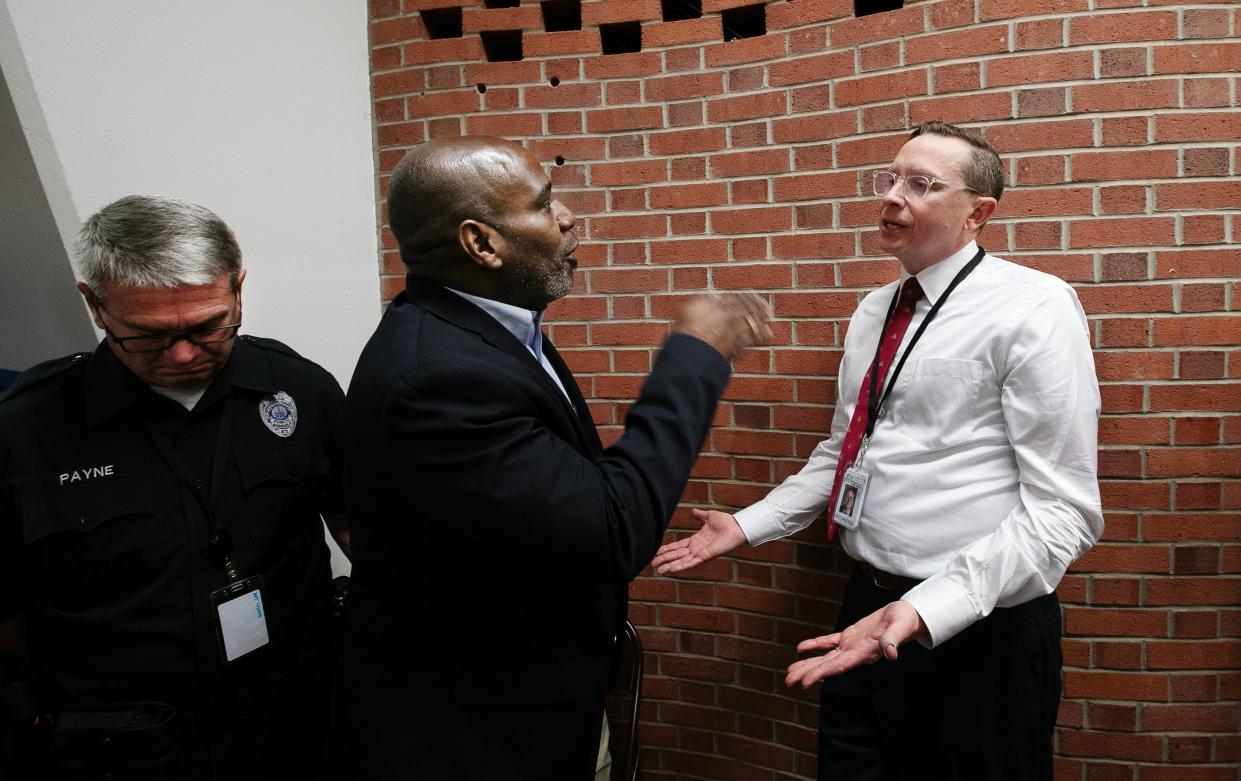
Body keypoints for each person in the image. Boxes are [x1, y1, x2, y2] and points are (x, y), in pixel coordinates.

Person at [653, 120, 1102, 780]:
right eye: (888, 178)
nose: (892, 196)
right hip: (861, 611)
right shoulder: (872, 311)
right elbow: (846, 451)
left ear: (978, 212)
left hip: (977, 633)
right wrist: (746, 524)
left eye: (920, 184)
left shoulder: (1032, 306)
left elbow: (1063, 513)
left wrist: (925, 608)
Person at [330, 135, 770, 780]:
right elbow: (612, 527)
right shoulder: (439, 376)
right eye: (543, 205)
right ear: (481, 243)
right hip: (476, 734)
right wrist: (695, 355)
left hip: (536, 696)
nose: (567, 218)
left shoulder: (490, 331)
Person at [0, 195, 348, 780]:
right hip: (126, 751)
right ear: (95, 305)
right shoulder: (26, 429)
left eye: (210, 326)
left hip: (299, 723)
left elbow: (360, 526)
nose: (185, 354)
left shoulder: (299, 390)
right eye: (149, 336)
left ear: (238, 289)